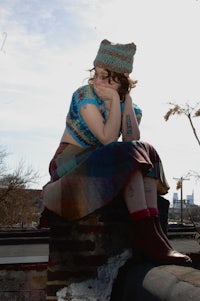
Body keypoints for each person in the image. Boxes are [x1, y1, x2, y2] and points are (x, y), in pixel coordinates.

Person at [40, 39, 191, 265]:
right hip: (69, 159)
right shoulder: (84, 96)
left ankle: (154, 233)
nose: (97, 80)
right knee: (129, 153)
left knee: (146, 150)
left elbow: (132, 139)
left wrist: (126, 101)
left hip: (101, 162)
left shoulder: (129, 105)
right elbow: (108, 139)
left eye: (106, 76)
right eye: (97, 74)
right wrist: (111, 98)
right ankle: (148, 236)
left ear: (120, 79)